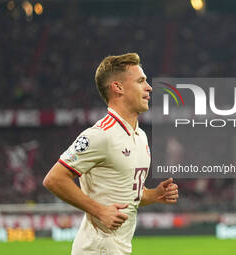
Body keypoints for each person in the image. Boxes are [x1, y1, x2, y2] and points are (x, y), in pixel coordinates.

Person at [43, 53, 179, 255]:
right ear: (118, 88)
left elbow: (125, 193)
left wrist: (154, 195)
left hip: (119, 248)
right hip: (97, 249)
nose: (149, 87)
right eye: (141, 81)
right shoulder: (100, 135)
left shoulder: (140, 136)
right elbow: (54, 179)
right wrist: (98, 210)